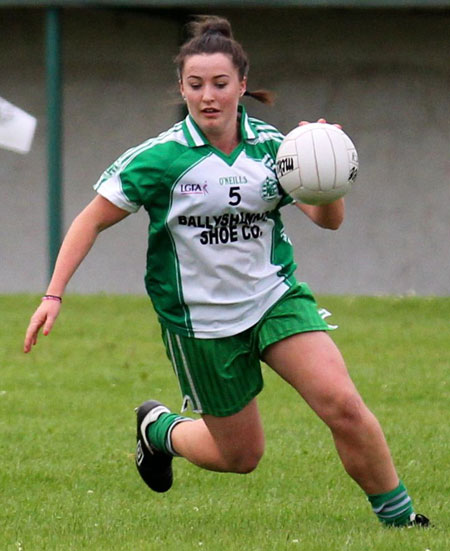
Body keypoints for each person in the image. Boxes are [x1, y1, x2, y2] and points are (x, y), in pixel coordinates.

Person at [24, 15, 429, 528]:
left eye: (219, 84)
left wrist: (324, 170)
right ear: (182, 89)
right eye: (195, 85)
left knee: (342, 403)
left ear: (242, 85)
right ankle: (160, 430)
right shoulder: (159, 159)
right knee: (241, 456)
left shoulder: (273, 149)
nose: (208, 96)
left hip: (274, 299)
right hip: (201, 324)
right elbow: (89, 221)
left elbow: (328, 222)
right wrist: (53, 294)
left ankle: (401, 522)